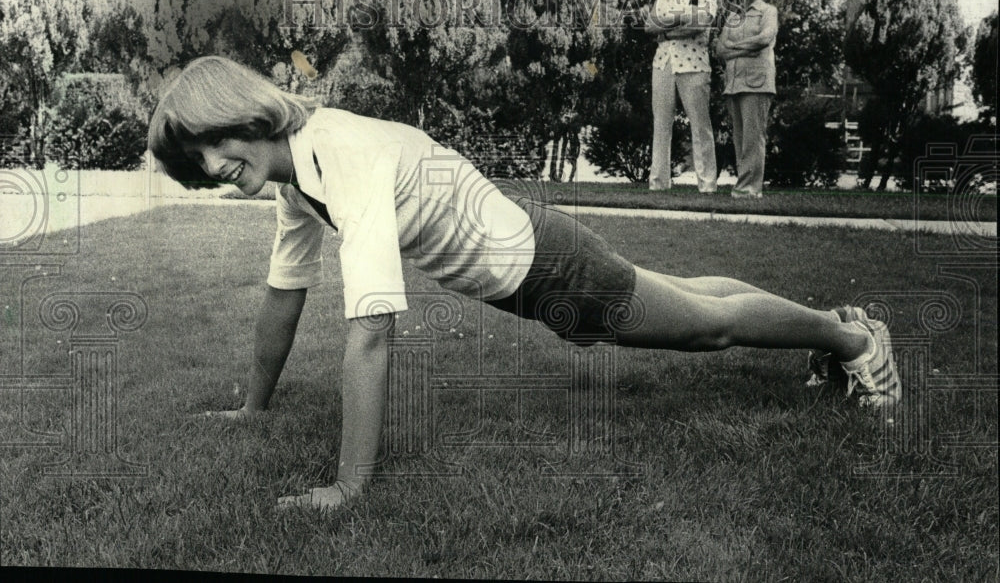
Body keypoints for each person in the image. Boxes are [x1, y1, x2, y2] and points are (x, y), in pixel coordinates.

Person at [147, 56, 901, 512]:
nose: (212, 168)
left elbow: (371, 329)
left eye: (212, 144)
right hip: (538, 258)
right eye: (197, 161)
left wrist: (347, 487)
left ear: (242, 114)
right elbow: (285, 292)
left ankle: (854, 340)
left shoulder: (337, 152)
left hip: (550, 270)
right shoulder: (297, 180)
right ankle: (833, 325)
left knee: (708, 325)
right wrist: (252, 408)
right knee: (695, 297)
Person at [644, 0, 718, 193]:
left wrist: (666, 27)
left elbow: (698, 24)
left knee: (700, 124)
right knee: (661, 123)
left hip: (694, 64)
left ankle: (707, 185)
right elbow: (648, 26)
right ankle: (658, 183)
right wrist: (681, 16)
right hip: (663, 63)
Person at [715, 0, 779, 198]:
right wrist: (745, 50)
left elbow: (765, 39)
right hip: (734, 83)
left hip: (757, 82)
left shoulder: (768, 11)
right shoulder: (734, 16)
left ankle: (750, 189)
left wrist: (736, 47)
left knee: (753, 137)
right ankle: (744, 186)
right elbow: (721, 50)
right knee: (740, 139)